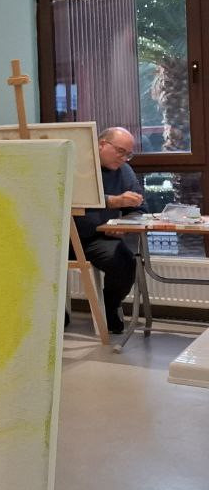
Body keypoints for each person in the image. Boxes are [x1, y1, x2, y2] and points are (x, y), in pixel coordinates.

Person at [70, 126, 145, 335]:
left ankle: (109, 306)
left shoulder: (124, 171)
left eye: (128, 154)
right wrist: (112, 201)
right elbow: (73, 201)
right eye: (120, 151)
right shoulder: (78, 167)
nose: (124, 158)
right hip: (66, 238)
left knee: (126, 263)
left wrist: (123, 225)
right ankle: (56, 311)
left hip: (98, 238)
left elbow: (140, 209)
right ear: (101, 144)